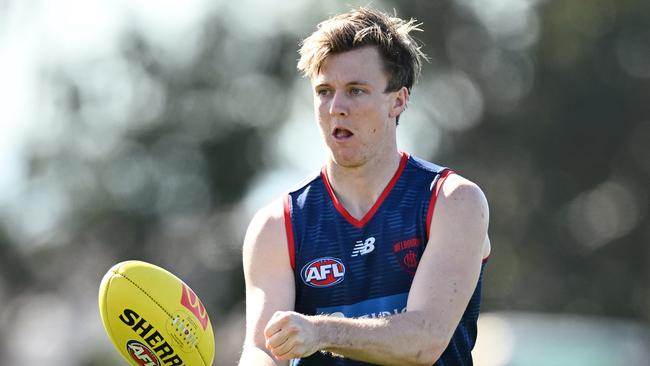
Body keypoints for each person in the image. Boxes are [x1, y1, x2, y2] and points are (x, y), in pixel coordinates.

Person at [238, 7, 491, 366]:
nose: (336, 108)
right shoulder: (277, 226)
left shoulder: (453, 201)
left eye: (355, 91)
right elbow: (264, 351)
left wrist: (320, 332)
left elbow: (424, 340)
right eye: (324, 91)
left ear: (398, 100)